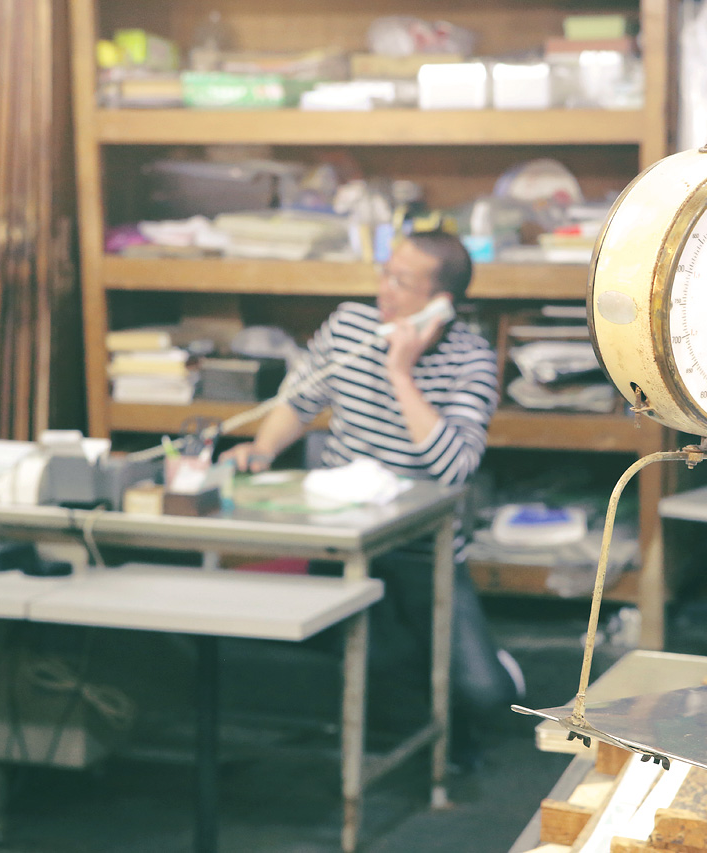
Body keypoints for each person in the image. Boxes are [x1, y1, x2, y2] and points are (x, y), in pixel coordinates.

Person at [224, 230, 523, 767]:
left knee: (485, 695)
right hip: (345, 541)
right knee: (375, 663)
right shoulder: (349, 327)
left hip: (424, 554)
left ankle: (475, 668)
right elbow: (302, 398)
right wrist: (262, 449)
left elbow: (454, 467)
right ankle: (413, 684)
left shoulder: (471, 359)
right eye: (385, 274)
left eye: (400, 283)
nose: (383, 291)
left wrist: (400, 374)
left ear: (440, 301)